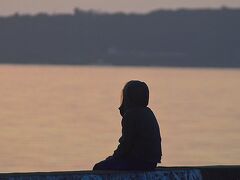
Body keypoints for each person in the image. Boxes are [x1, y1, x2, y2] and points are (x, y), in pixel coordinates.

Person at [93, 80, 162, 171]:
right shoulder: (148, 112)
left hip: (138, 162)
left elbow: (126, 144)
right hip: (151, 163)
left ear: (129, 97)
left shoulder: (131, 115)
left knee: (98, 168)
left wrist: (114, 157)